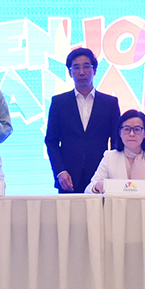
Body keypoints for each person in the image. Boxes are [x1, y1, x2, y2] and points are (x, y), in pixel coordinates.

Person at [45, 47, 121, 193]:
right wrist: (60, 171)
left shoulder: (110, 103)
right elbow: (51, 141)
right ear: (69, 72)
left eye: (86, 66)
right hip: (68, 178)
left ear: (95, 70)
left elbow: (116, 141)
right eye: (76, 67)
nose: (81, 72)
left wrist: (112, 172)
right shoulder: (59, 103)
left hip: (101, 176)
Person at [85, 110, 145, 195]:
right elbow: (88, 190)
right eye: (126, 129)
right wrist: (97, 187)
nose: (131, 134)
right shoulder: (110, 157)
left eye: (137, 129)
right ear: (120, 132)